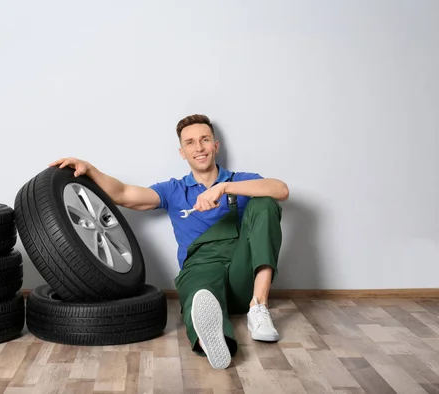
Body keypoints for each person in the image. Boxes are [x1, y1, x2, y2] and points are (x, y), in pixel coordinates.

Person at [49, 114, 289, 370]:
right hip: (201, 267)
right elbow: (123, 194)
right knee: (200, 294)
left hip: (242, 271)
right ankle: (216, 337)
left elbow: (281, 189)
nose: (199, 148)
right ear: (182, 152)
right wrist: (91, 170)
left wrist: (224, 189)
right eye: (190, 143)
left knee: (265, 202)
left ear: (215, 146)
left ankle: (259, 308)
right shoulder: (174, 190)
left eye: (205, 140)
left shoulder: (239, 180)